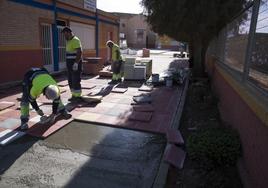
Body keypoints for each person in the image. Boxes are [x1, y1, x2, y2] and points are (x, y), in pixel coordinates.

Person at [61, 26, 83, 102]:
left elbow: (79, 52)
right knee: (70, 79)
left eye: (65, 34)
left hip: (75, 63)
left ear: (69, 33)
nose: (64, 36)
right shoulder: (69, 41)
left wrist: (76, 63)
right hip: (69, 63)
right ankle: (73, 95)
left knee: (76, 79)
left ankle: (77, 96)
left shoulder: (75, 40)